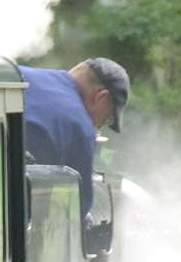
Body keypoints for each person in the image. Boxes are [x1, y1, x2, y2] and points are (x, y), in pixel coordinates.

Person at [20, 57, 129, 218]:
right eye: (107, 119)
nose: (98, 126)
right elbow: (77, 212)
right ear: (101, 97)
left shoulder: (20, 73)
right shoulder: (79, 127)